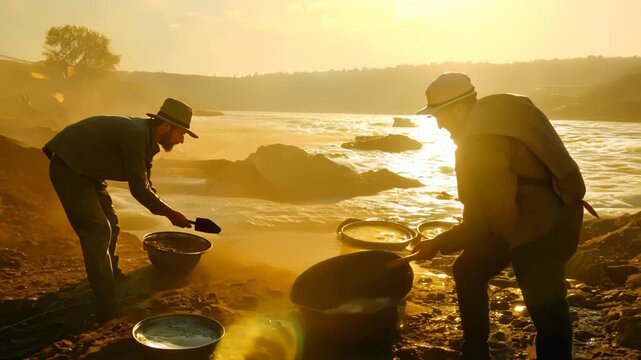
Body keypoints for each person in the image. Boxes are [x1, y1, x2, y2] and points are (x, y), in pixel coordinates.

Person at [411, 73, 596, 359]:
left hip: (542, 231)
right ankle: (474, 351)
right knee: (468, 269)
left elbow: (489, 223)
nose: (439, 124)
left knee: (547, 311)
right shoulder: (504, 116)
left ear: (459, 109)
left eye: (440, 115)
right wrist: (448, 239)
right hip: (561, 213)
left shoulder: (479, 144)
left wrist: (437, 244)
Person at [42, 98, 197, 312]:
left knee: (112, 225)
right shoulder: (136, 135)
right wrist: (170, 214)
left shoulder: (148, 140)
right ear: (167, 125)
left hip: (90, 174)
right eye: (181, 133)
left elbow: (144, 181)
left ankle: (110, 276)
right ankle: (106, 300)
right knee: (98, 231)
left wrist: (167, 209)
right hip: (70, 169)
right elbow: (139, 189)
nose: (181, 140)